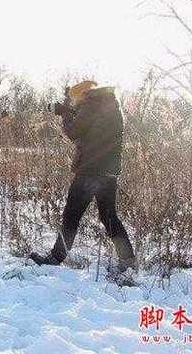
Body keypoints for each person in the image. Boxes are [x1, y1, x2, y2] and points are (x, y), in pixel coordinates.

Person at [30, 80, 136, 273]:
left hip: (90, 171)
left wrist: (63, 114)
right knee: (109, 217)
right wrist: (71, 112)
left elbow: (73, 132)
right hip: (109, 172)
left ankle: (55, 258)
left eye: (75, 99)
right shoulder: (110, 104)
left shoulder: (91, 104)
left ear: (82, 95)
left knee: (71, 215)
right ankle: (128, 261)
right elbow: (90, 126)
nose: (75, 103)